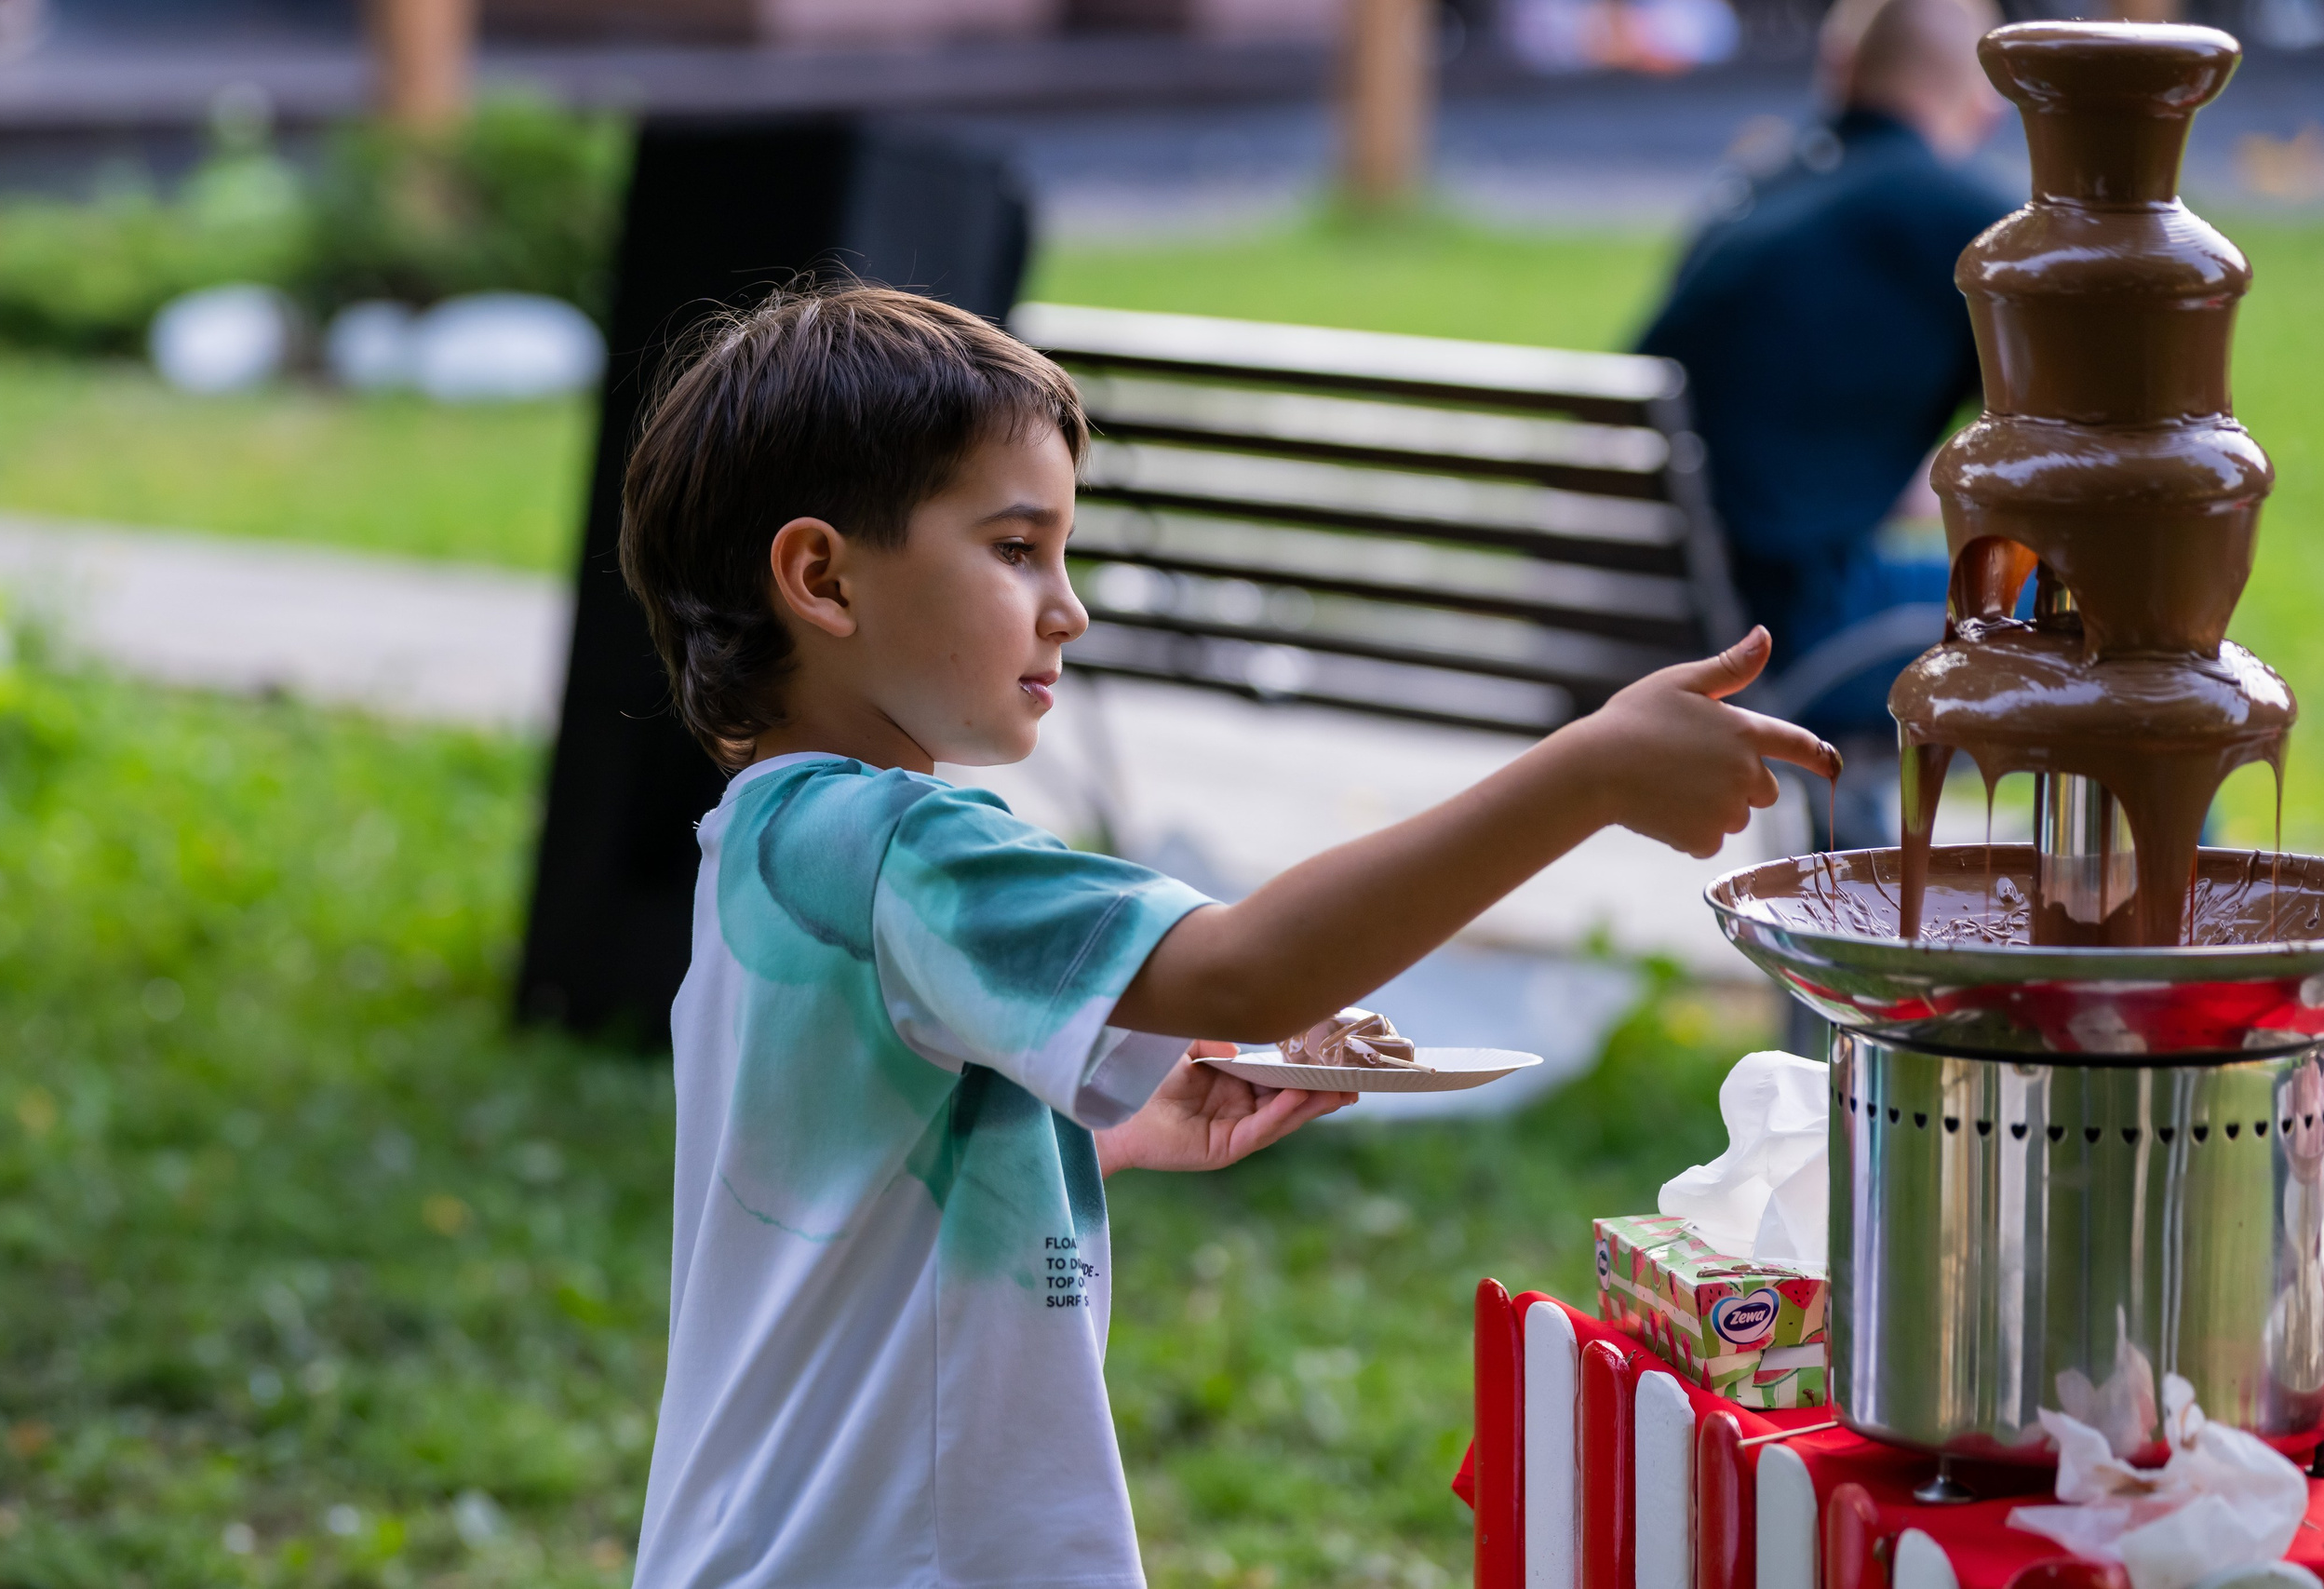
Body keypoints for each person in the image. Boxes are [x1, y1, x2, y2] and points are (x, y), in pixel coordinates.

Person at [616, 282, 1835, 1588]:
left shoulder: (771, 842)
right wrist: (1585, 776)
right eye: (1017, 547)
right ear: (823, 578)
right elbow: (1255, 969)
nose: (1065, 605)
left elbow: (854, 1159)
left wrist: (1117, 1128)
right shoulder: (899, 846)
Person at [1636, 0, 2017, 847]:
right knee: (2127, 637)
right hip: (1780, 633)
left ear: (1842, 72)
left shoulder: (1756, 188)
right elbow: (2050, 459)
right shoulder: (1965, 221)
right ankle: (2155, 960)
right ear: (1986, 107)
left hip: (1639, 613)